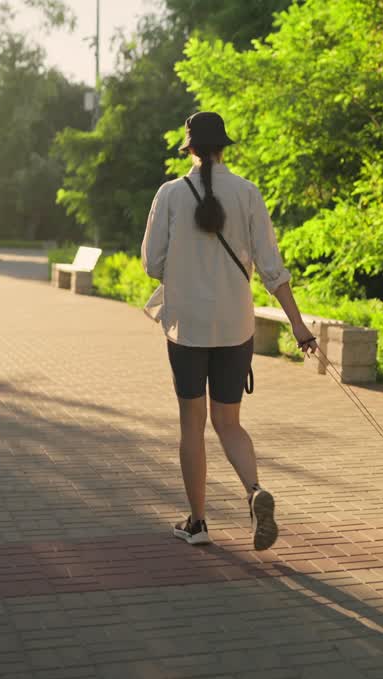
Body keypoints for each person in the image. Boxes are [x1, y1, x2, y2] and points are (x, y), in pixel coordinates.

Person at [141, 111, 318, 550]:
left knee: (192, 426)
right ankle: (254, 491)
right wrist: (298, 325)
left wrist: (184, 273)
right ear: (223, 148)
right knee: (229, 422)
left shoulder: (169, 195)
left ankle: (198, 523)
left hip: (186, 328)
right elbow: (272, 269)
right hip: (236, 327)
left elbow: (152, 263)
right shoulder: (247, 193)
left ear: (189, 149)